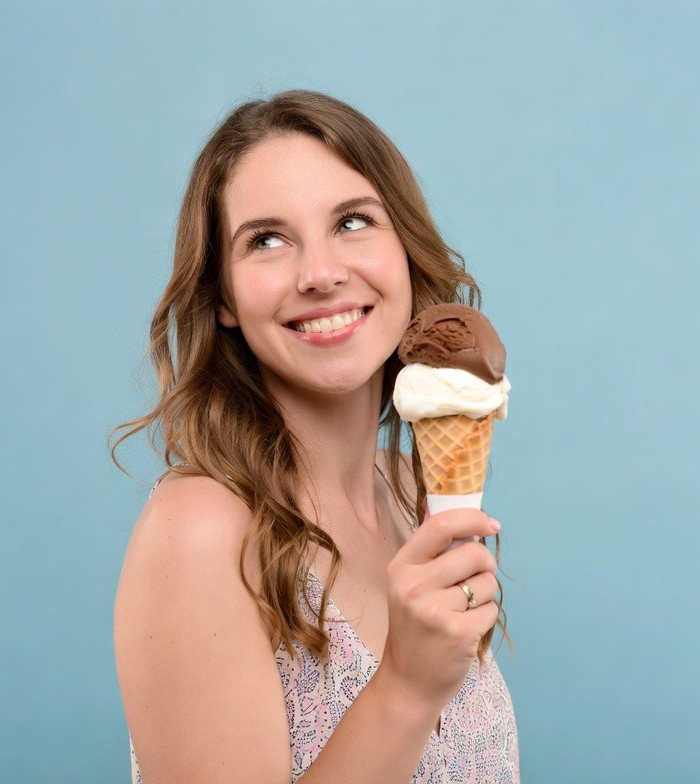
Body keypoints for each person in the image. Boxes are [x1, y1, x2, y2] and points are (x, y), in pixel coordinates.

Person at [113, 89, 519, 783]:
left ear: (405, 249)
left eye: (353, 222)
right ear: (223, 298)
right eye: (266, 240)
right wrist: (405, 688)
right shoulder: (201, 529)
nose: (321, 273)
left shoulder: (409, 488)